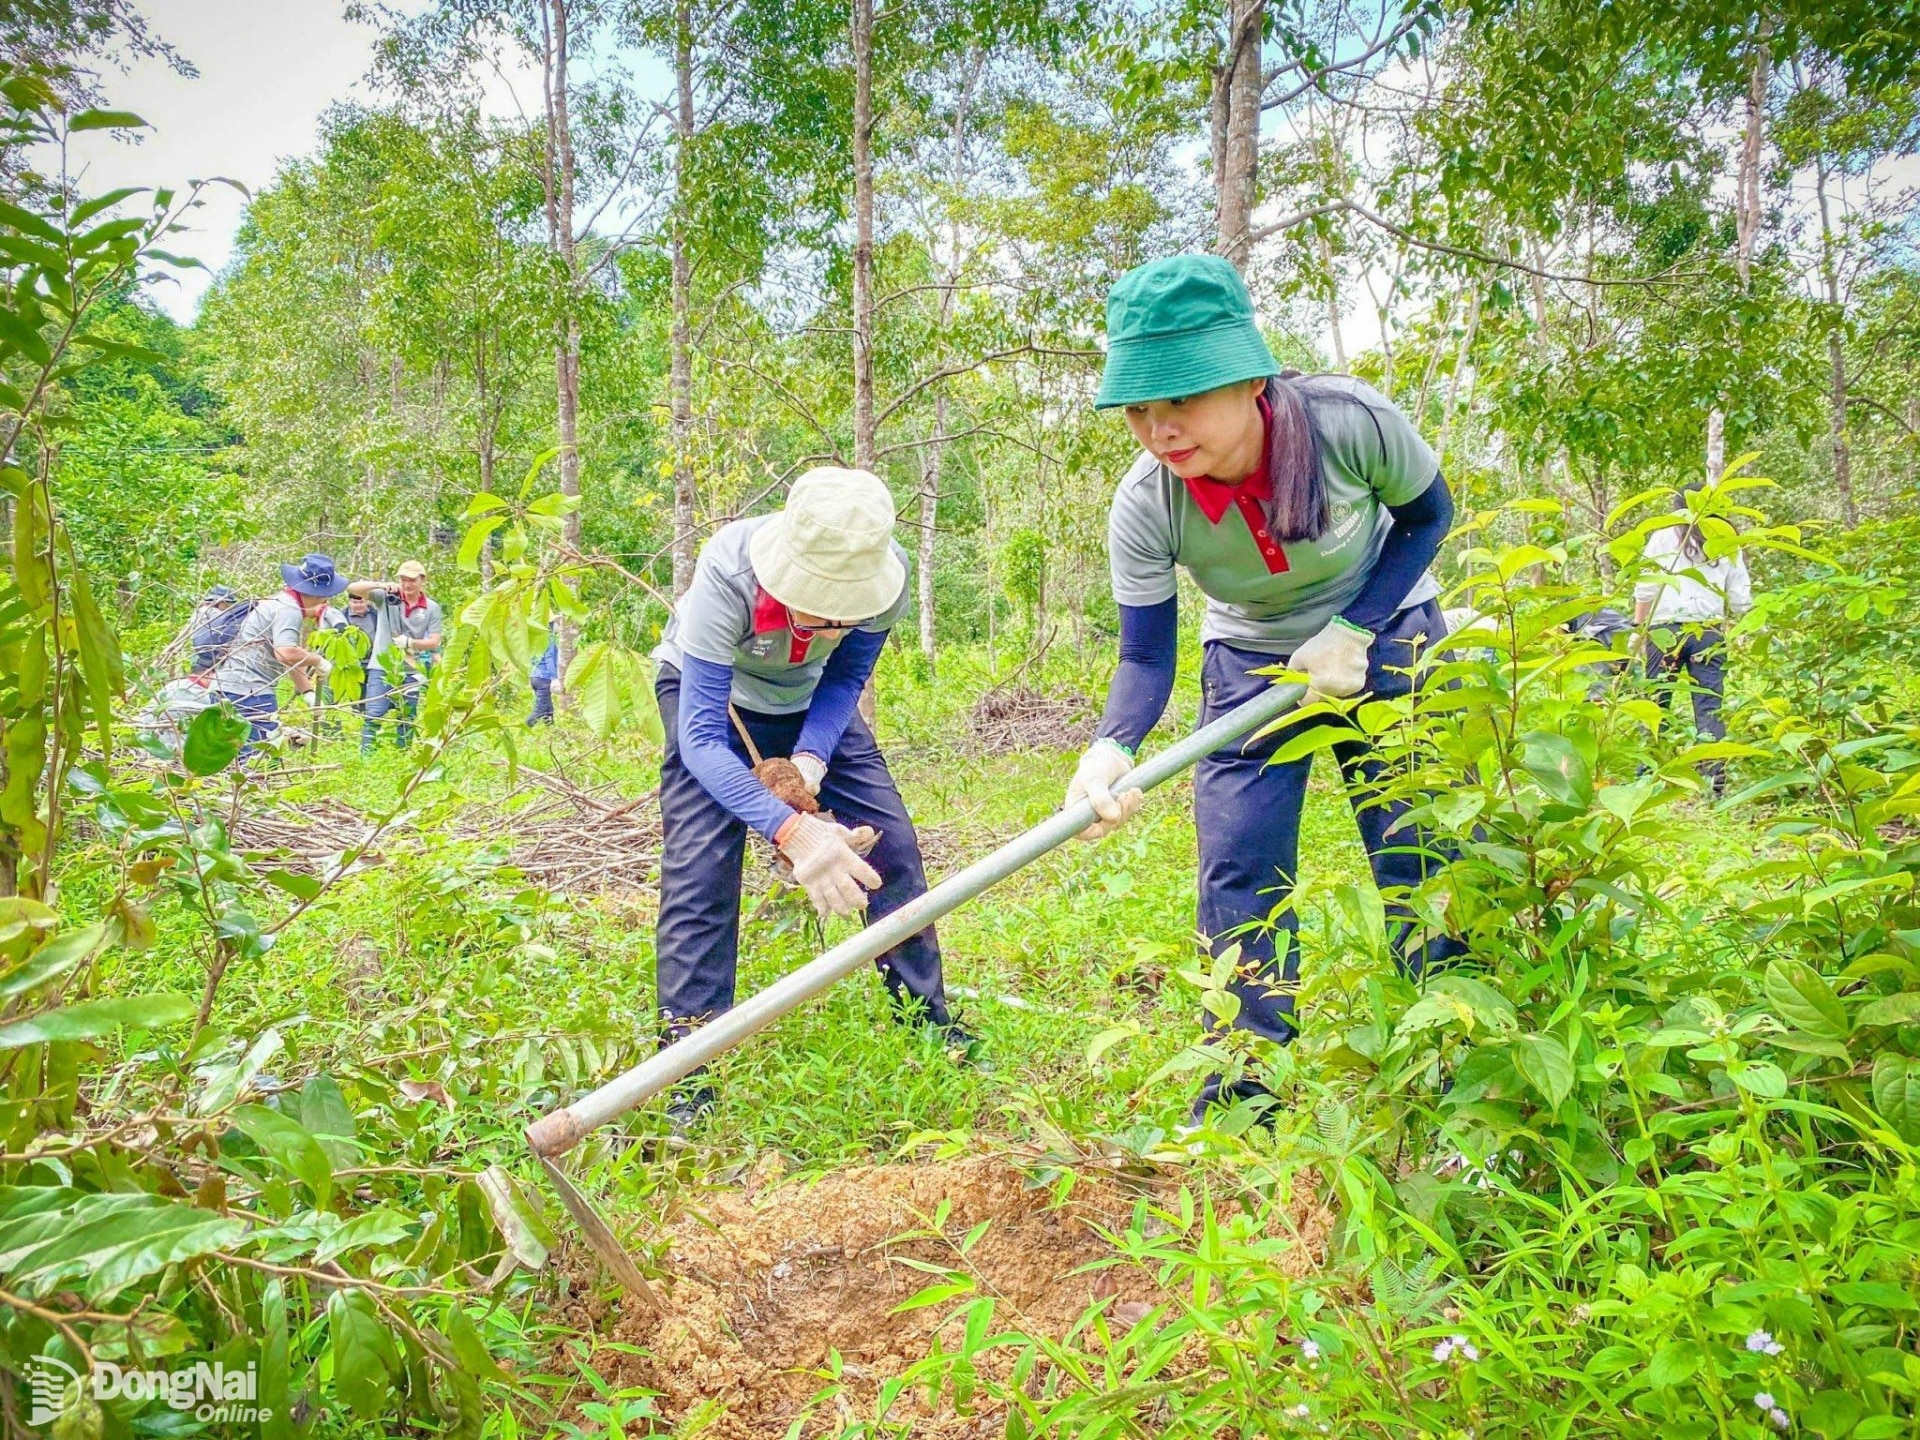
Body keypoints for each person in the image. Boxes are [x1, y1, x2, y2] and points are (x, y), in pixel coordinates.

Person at [1061, 254, 1462, 1128]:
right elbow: (1144, 657)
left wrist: (1356, 626)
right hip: (1249, 662)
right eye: (1139, 409)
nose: (1160, 429)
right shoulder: (1147, 503)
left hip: (1387, 628)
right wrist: (1110, 746)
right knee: (1241, 870)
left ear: (1248, 378)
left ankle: (1462, 1067)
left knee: (1421, 848)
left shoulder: (1350, 423)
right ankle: (1247, 1100)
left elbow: (1430, 517)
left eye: (1182, 401)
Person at [650, 466, 968, 1129]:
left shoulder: (889, 579)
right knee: (701, 877)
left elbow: (847, 672)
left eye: (841, 613)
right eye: (818, 607)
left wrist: (812, 757)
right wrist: (790, 832)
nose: (829, 624)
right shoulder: (729, 571)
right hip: (710, 702)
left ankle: (931, 1029)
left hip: (811, 707)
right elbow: (704, 737)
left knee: (896, 852)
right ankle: (686, 1076)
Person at [1633, 511, 1752, 795]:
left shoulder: (1663, 536)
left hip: (1666, 633)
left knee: (1655, 702)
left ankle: (1646, 776)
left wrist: (1639, 629)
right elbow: (1740, 598)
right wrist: (1743, 626)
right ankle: (1714, 781)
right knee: (1709, 705)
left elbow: (1645, 587)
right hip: (1708, 633)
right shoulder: (1726, 542)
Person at [202, 554, 346, 752]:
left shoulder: (276, 601)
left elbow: (288, 656)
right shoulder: (289, 610)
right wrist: (317, 660)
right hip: (250, 692)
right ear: (319, 593)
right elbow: (285, 653)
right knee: (259, 758)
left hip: (227, 687)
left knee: (227, 755)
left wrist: (308, 692)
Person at [346, 560, 444, 753]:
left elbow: (434, 642)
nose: (407, 584)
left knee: (407, 717)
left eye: (412, 580)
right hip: (382, 666)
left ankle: (402, 756)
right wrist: (381, 585)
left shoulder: (431, 608)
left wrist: (410, 643)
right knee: (374, 713)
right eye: (403, 579)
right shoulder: (387, 598)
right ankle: (367, 757)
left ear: (422, 580)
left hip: (412, 669)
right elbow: (352, 587)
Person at [187, 585, 243, 674]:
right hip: (207, 657)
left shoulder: (200, 611)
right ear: (220, 602)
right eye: (227, 603)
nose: (229, 606)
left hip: (197, 654)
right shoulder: (214, 613)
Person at [527, 626, 558, 727]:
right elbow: (549, 658)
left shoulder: (536, 639)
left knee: (548, 709)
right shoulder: (549, 638)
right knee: (540, 709)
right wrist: (554, 678)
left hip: (535, 677)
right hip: (543, 678)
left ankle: (552, 733)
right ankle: (525, 727)